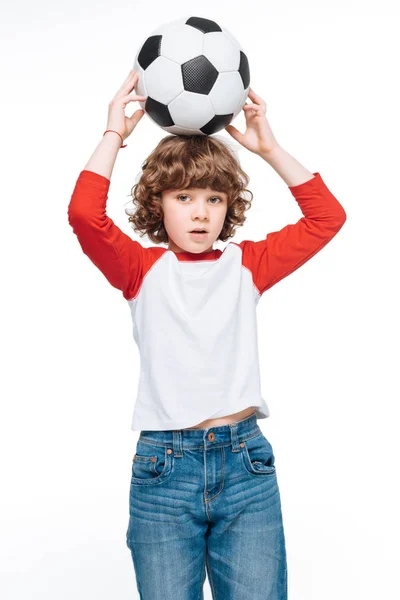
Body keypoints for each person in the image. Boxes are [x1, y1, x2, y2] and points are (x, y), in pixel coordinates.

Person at [68, 69, 346, 599]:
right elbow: (84, 214)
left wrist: (270, 149)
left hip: (246, 466)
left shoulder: (249, 266)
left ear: (229, 207)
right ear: (158, 205)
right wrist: (114, 134)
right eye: (184, 198)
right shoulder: (139, 270)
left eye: (214, 199)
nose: (200, 213)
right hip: (164, 471)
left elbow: (326, 218)